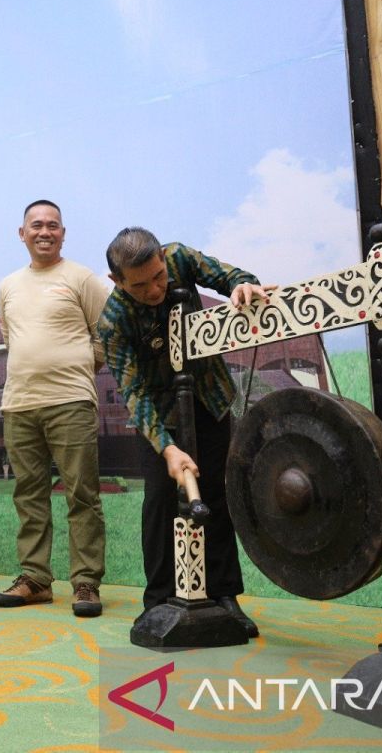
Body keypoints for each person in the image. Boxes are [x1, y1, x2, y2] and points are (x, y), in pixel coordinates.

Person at [98, 226, 269, 637]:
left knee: (215, 497)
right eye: (141, 285)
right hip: (158, 417)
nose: (156, 288)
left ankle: (225, 596)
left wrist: (244, 286)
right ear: (116, 281)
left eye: (159, 276)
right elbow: (134, 391)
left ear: (162, 258)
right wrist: (168, 450)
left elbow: (231, 276)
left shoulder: (179, 257)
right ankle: (158, 600)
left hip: (208, 401)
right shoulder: (113, 323)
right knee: (160, 502)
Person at [0, 200, 110, 618]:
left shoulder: (81, 278)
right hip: (19, 403)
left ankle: (86, 584)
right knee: (29, 494)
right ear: (21, 233)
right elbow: (12, 337)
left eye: (53, 226)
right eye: (36, 225)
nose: (45, 231)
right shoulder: (8, 285)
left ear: (63, 233)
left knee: (82, 495)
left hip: (71, 402)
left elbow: (106, 334)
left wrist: (79, 365)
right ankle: (35, 580)